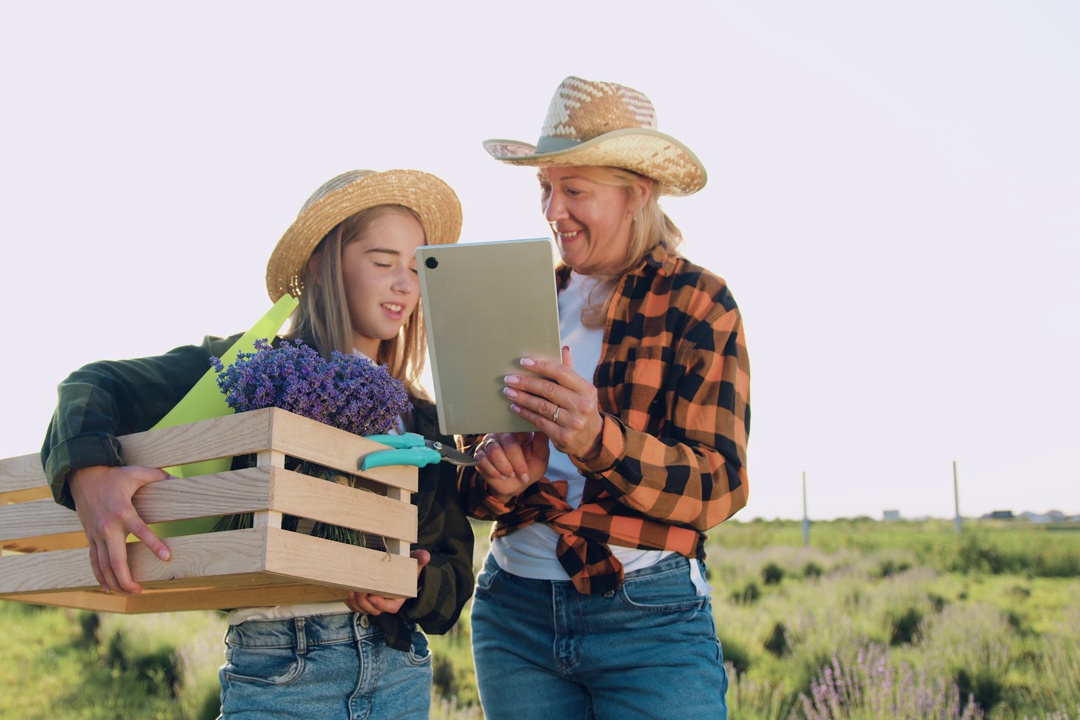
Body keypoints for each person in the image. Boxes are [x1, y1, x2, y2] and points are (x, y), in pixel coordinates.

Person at [40, 169, 475, 720]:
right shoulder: (248, 369)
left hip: (398, 674)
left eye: (416, 268)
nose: (405, 284)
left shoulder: (423, 418)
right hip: (279, 672)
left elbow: (455, 580)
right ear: (321, 264)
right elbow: (90, 386)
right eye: (384, 261)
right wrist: (89, 475)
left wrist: (411, 584)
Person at [459, 76, 751, 719]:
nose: (551, 210)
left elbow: (719, 485)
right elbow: (471, 486)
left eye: (575, 191)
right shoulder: (518, 301)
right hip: (515, 616)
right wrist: (498, 475)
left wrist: (597, 441)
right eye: (545, 189)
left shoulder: (699, 303)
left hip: (649, 620)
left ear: (635, 194)